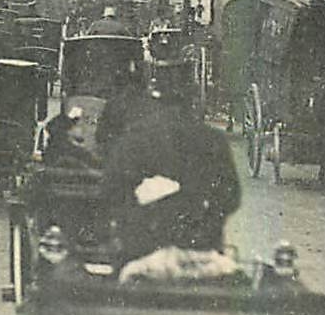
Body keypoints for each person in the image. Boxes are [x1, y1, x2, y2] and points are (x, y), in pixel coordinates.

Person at [101, 73, 240, 263]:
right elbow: (231, 197)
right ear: (193, 104)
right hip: (200, 251)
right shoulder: (213, 140)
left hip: (141, 252)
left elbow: (111, 190)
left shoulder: (134, 139)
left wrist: (136, 221)